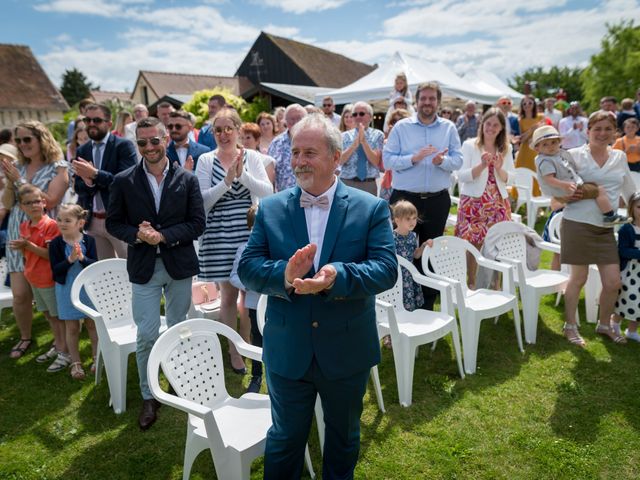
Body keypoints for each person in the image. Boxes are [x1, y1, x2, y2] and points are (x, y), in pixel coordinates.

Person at [238, 114, 397, 479]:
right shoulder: (271, 208)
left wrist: (337, 276)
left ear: (336, 158)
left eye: (310, 152)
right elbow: (248, 268)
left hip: (345, 349)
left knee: (342, 440)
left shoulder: (370, 207)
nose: (298, 161)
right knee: (284, 439)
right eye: (295, 152)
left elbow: (386, 269)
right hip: (288, 347)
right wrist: (284, 274)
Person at [106, 116, 205, 430]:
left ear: (166, 140)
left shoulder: (187, 179)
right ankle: (149, 394)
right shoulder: (123, 180)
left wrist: (163, 236)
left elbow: (197, 223)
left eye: (154, 140)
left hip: (178, 265)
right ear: (137, 144)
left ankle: (177, 380)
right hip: (144, 267)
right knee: (147, 333)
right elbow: (113, 223)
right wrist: (138, 234)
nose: (149, 147)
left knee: (179, 327)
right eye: (142, 142)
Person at [195, 108, 272, 375]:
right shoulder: (205, 160)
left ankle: (248, 342)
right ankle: (233, 349)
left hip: (249, 231)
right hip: (218, 234)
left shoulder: (252, 157)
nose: (224, 134)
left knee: (248, 293)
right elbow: (202, 201)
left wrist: (243, 176)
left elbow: (267, 191)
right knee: (228, 295)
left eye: (229, 128)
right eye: (218, 130)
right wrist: (227, 181)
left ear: (239, 130)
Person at [383, 81, 463, 309]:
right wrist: (414, 158)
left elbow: (458, 160)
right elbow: (387, 160)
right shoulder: (401, 127)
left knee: (430, 252)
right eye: (423, 98)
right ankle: (398, 304)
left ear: (438, 101)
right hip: (405, 200)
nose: (427, 103)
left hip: (437, 199)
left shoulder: (448, 127)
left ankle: (427, 304)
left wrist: (442, 161)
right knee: (401, 253)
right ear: (416, 101)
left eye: (432, 99)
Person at [560, 112, 636, 347]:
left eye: (607, 129)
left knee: (613, 282)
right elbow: (559, 196)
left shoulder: (620, 157)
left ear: (616, 132)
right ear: (587, 130)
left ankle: (604, 325)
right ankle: (570, 326)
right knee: (578, 278)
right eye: (597, 129)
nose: (602, 134)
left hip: (606, 228)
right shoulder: (573, 156)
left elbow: (630, 193)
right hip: (577, 224)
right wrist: (574, 194)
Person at [1, 121, 69, 360]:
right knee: (20, 294)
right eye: (18, 140)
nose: (22, 144)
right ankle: (25, 337)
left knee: (49, 295)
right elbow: (9, 204)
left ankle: (62, 342)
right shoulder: (18, 166)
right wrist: (10, 183)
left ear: (41, 139)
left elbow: (50, 200)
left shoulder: (57, 168)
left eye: (27, 139)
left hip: (44, 236)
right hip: (16, 233)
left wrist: (19, 181)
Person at [455, 108, 514, 286]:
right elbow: (461, 175)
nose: (491, 128)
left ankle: (495, 285)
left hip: (498, 201)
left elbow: (511, 178)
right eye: (488, 123)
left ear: (502, 128)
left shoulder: (506, 148)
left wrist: (498, 167)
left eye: (496, 125)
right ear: (482, 125)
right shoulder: (469, 145)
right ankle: (472, 283)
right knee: (474, 244)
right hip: (473, 202)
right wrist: (482, 165)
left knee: (497, 244)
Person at [10, 184, 67, 371]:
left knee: (57, 316)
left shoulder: (51, 225)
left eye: (37, 201)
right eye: (28, 203)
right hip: (34, 278)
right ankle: (58, 345)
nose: (34, 205)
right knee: (47, 315)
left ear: (44, 202)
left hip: (48, 279)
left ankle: (64, 351)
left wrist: (28, 245)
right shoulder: (24, 226)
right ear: (21, 207)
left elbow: (51, 255)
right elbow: (28, 254)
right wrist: (24, 247)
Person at [73, 103, 137, 260]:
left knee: (128, 267)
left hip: (119, 219)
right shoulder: (83, 150)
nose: (91, 124)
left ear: (109, 123)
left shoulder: (123, 146)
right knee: (104, 274)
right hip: (93, 221)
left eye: (96, 120)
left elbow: (125, 182)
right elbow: (78, 186)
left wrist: (95, 174)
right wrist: (89, 182)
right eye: (87, 120)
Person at [532, 125, 627, 224]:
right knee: (599, 190)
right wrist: (565, 185)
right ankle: (610, 216)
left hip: (566, 191)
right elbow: (549, 179)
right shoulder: (545, 161)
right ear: (537, 148)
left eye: (553, 142)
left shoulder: (557, 156)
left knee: (593, 187)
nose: (550, 146)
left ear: (559, 143)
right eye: (545, 144)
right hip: (566, 190)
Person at [49, 203, 98, 380]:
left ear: (80, 223)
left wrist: (83, 258)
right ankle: (75, 362)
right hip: (66, 290)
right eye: (59, 219)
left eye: (67, 220)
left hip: (87, 290)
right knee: (72, 327)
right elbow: (55, 271)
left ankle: (96, 357)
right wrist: (69, 260)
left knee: (92, 324)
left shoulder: (89, 241)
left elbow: (95, 265)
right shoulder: (55, 244)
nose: (62, 223)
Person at [229, 205, 263, 394]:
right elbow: (234, 276)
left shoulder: (277, 245)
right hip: (255, 303)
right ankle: (257, 375)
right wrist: (249, 285)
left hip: (277, 303)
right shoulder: (244, 249)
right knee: (257, 339)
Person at [611, 192, 640, 342]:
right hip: (630, 271)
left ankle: (632, 330)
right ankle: (615, 323)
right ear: (631, 209)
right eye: (639, 207)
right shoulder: (627, 229)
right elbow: (622, 250)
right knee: (626, 298)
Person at [339, 101, 384, 195]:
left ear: (370, 117)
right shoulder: (344, 136)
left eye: (362, 114)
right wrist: (354, 144)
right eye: (355, 114)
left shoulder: (378, 135)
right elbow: (340, 161)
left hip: (368, 184)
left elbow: (375, 161)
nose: (358, 117)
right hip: (347, 182)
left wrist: (363, 141)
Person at [391, 200, 426, 311]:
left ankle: (410, 322)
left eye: (414, 218)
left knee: (410, 304)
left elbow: (415, 255)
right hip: (397, 276)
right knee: (398, 304)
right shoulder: (392, 238)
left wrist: (424, 246)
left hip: (410, 275)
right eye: (408, 219)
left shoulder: (412, 236)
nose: (412, 222)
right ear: (397, 220)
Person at [515, 94, 549, 196]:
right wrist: (532, 130)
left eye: (530, 103)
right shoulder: (520, 120)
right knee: (522, 171)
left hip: (537, 149)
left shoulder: (541, 117)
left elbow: (544, 134)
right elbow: (522, 139)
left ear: (534, 104)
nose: (527, 105)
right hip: (524, 150)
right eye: (524, 103)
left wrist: (531, 134)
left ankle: (537, 197)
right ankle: (521, 197)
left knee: (536, 171)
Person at [268, 103, 307, 192]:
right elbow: (270, 174)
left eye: (299, 118)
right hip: (285, 199)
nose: (296, 122)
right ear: (285, 121)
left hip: (313, 198)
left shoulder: (316, 140)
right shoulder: (276, 143)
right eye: (291, 119)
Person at [240, 122, 276, 186]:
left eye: (248, 138)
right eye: (242, 138)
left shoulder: (267, 161)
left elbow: (269, 189)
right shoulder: (237, 160)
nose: (244, 141)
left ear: (257, 140)